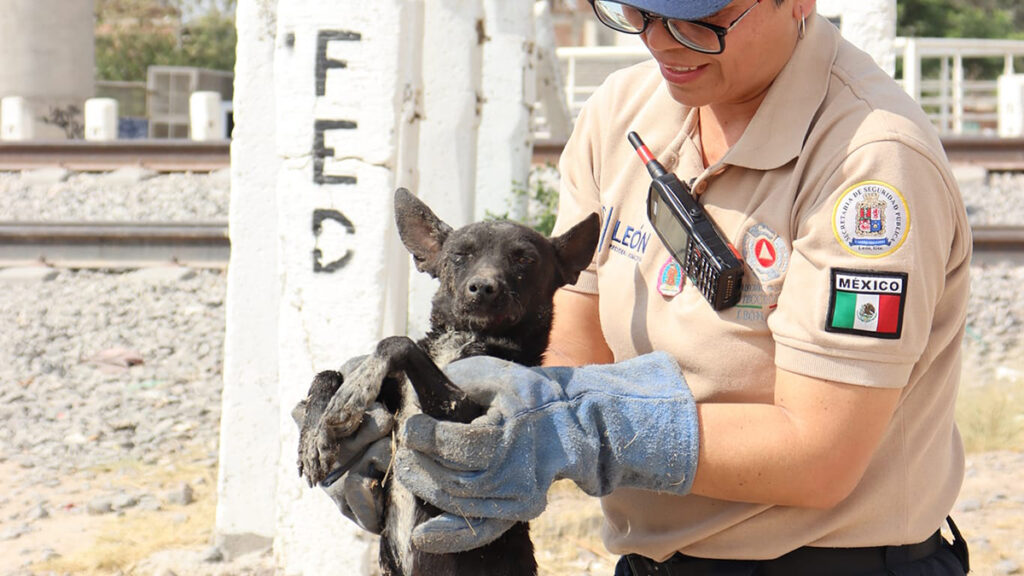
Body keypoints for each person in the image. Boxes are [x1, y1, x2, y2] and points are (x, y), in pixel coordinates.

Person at [310, 0, 973, 574]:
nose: (661, 41)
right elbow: (569, 343)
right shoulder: (624, 113)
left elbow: (821, 454)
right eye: (640, 12)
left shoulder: (870, 163)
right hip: (650, 559)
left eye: (699, 18)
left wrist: (582, 429)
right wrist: (437, 412)